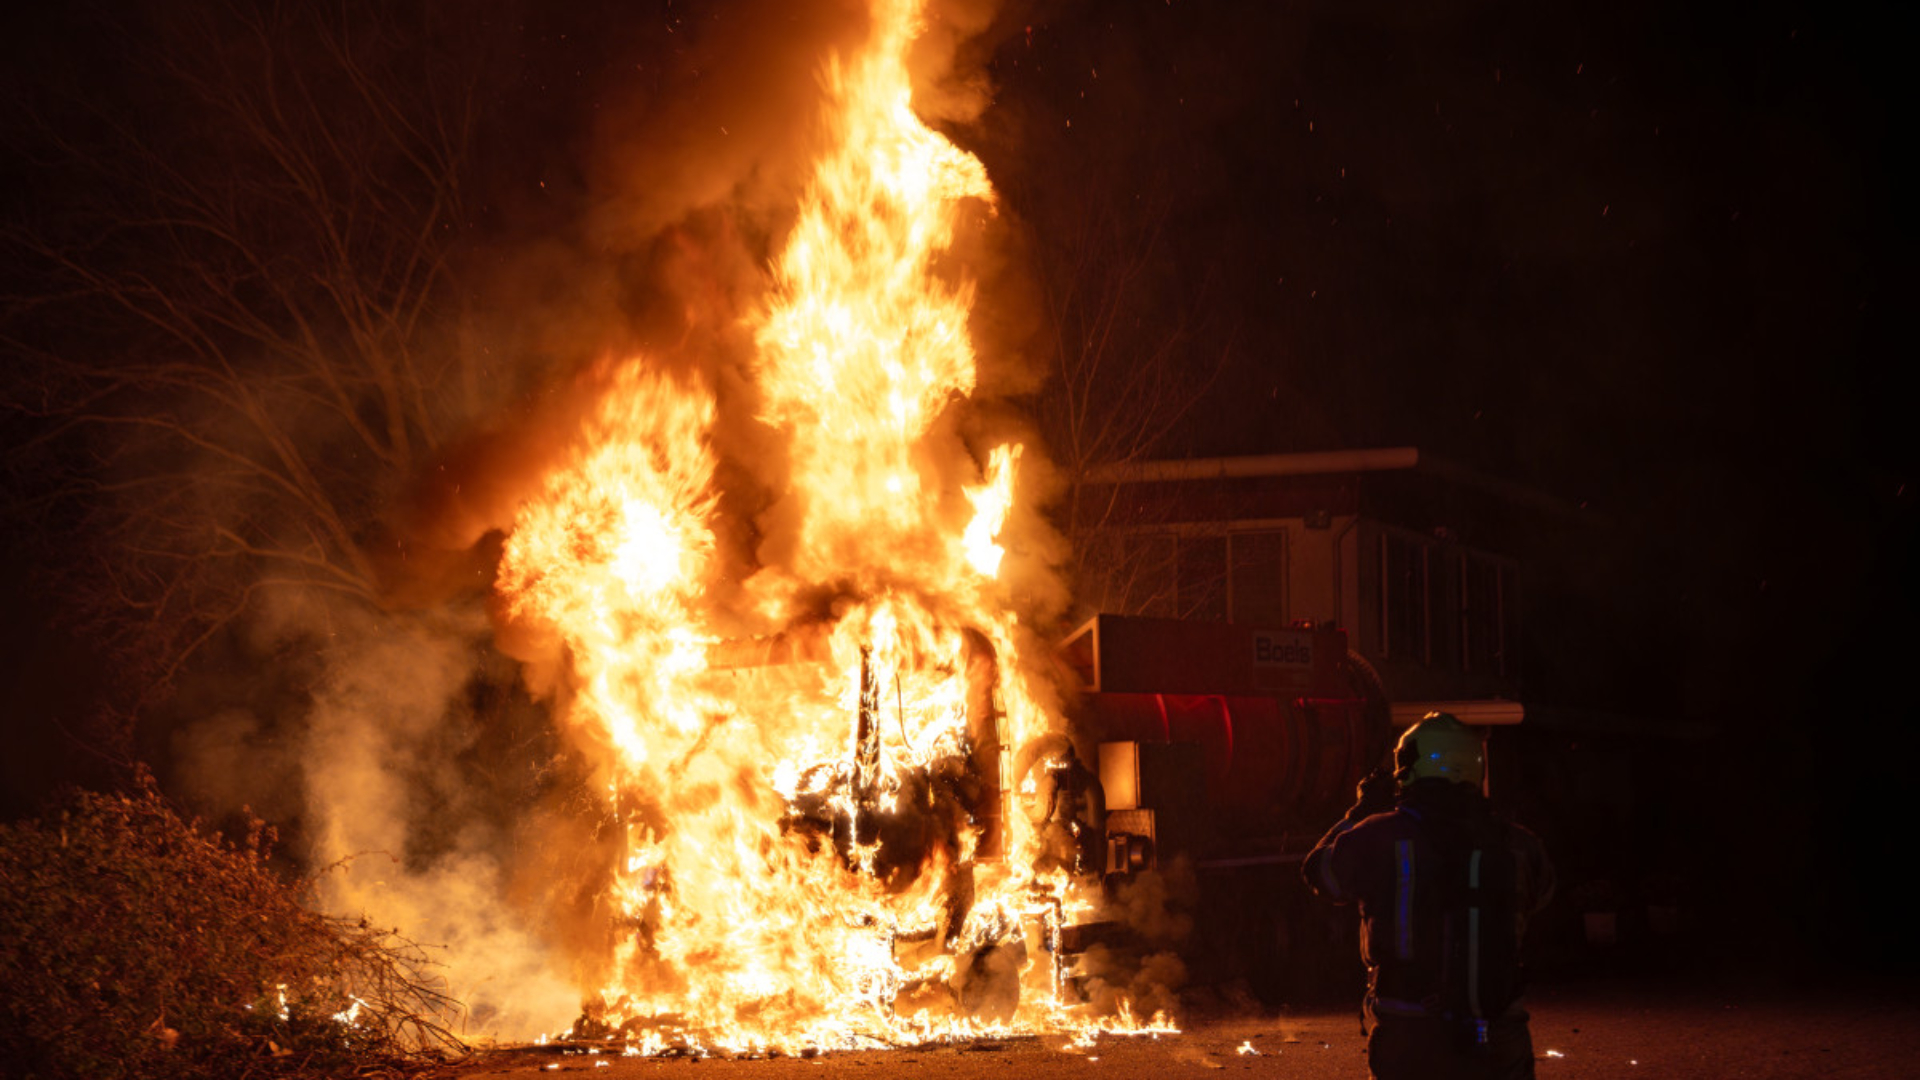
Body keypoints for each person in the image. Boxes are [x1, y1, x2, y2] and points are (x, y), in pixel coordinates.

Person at [1303, 712, 1554, 1080]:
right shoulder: (1519, 843)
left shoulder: (1379, 834)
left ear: (1408, 768)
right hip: (1499, 1030)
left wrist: (1359, 812)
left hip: (1409, 1032)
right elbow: (1543, 896)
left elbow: (1319, 873)